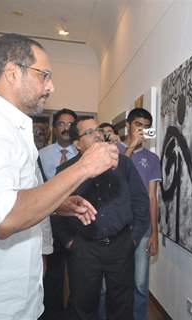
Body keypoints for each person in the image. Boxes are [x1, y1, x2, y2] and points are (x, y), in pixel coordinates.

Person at [0, 33, 119, 319]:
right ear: (11, 72)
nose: (51, 86)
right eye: (44, 75)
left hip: (18, 298)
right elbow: (3, 216)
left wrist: (56, 205)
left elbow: (13, 195)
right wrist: (84, 167)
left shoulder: (10, 127)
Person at [54, 117, 150, 320]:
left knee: (122, 306)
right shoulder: (65, 171)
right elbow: (56, 211)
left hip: (121, 245)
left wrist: (132, 238)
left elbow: (141, 202)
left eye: (97, 129)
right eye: (88, 132)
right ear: (77, 144)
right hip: (84, 249)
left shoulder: (123, 163)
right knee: (83, 306)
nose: (97, 133)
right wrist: (71, 242)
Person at [121, 108, 161, 320]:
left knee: (140, 282)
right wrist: (129, 147)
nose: (141, 130)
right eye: (138, 125)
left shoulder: (152, 158)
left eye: (146, 127)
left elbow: (152, 197)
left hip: (143, 228)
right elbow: (114, 176)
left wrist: (155, 233)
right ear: (128, 125)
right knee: (114, 283)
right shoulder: (113, 151)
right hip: (116, 228)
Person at [38, 108, 79, 319]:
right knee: (53, 273)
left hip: (76, 222)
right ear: (55, 127)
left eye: (71, 124)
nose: (66, 128)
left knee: (78, 274)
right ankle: (52, 312)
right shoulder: (41, 155)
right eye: (62, 124)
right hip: (51, 221)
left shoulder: (83, 156)